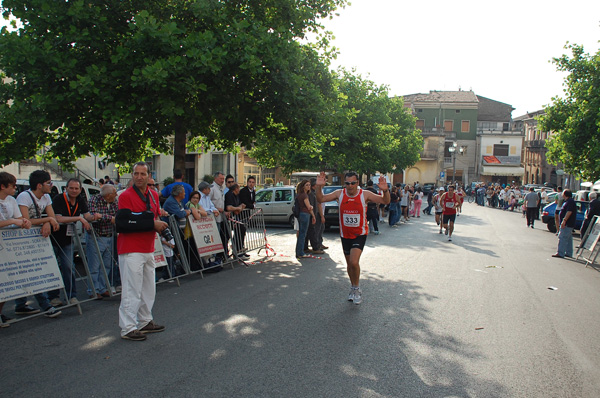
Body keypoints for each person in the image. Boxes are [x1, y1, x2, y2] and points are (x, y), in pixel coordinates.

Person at [316, 171, 390, 305]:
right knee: (350, 265)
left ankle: (356, 288)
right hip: (345, 234)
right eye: (347, 183)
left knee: (354, 262)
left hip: (359, 234)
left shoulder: (364, 194)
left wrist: (385, 191)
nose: (350, 186)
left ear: (358, 183)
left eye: (353, 183)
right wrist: (319, 187)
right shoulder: (340, 194)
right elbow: (321, 199)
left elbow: (385, 200)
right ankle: (353, 287)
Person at [116, 161, 168, 341]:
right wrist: (152, 223)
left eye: (142, 174)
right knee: (132, 289)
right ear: (132, 175)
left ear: (149, 176)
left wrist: (158, 224)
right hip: (131, 249)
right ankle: (128, 327)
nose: (139, 177)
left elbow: (152, 216)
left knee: (148, 288)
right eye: (136, 174)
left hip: (147, 247)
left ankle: (145, 321)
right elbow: (123, 222)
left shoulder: (153, 195)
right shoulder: (125, 196)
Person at [15, 170, 62, 318]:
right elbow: (26, 220)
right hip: (20, 241)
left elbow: (52, 216)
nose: (51, 185)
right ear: (39, 185)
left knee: (30, 272)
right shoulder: (24, 197)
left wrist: (48, 221)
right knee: (29, 272)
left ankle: (21, 304)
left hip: (35, 240)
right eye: (49, 183)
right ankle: (45, 305)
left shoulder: (46, 197)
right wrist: (47, 221)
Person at [48, 178, 101, 307]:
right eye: (71, 188)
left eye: (76, 188)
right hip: (54, 238)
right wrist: (79, 218)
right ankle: (53, 297)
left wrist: (94, 217)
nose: (74, 190)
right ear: (66, 188)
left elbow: (86, 215)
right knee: (54, 268)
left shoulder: (80, 200)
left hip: (68, 239)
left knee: (69, 267)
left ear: (80, 189)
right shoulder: (59, 199)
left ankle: (72, 295)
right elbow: (58, 218)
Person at [0, 172, 32, 327]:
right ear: (2, 186)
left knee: (6, 281)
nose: (15, 188)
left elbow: (19, 218)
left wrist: (24, 221)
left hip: (8, 246)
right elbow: (12, 220)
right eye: (12, 185)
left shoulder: (12, 200)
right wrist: (12, 221)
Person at [86, 184, 120, 299]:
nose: (116, 195)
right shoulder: (94, 200)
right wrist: (110, 218)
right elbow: (94, 216)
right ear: (108, 195)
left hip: (110, 235)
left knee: (107, 265)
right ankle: (93, 290)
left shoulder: (115, 202)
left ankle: (103, 287)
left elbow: (117, 216)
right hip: (97, 236)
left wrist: (103, 216)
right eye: (115, 192)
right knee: (95, 265)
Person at [225, 183, 249, 259]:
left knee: (242, 228)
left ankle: (238, 248)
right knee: (229, 234)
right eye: (238, 188)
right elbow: (229, 207)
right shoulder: (229, 195)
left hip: (235, 216)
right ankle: (235, 249)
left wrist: (238, 208)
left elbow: (239, 207)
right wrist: (238, 208)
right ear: (235, 189)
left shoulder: (236, 196)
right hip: (229, 218)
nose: (239, 190)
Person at [209, 172, 229, 260]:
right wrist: (216, 208)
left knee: (221, 236)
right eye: (221, 179)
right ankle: (213, 256)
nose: (222, 181)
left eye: (223, 179)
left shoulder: (221, 188)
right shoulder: (212, 188)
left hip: (221, 218)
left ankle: (219, 255)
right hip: (213, 217)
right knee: (214, 237)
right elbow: (208, 202)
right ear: (215, 178)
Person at [295, 179, 316, 259]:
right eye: (307, 185)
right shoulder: (304, 195)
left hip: (300, 214)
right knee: (302, 234)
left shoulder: (299, 194)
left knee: (301, 234)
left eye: (309, 185)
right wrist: (313, 216)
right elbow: (309, 207)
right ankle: (300, 252)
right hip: (305, 214)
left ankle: (299, 251)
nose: (309, 186)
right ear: (303, 186)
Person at [553, 189, 576, 259]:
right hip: (568, 223)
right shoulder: (568, 201)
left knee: (562, 237)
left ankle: (560, 253)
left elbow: (569, 212)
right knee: (568, 238)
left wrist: (564, 220)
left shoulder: (570, 202)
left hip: (567, 223)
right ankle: (569, 252)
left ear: (565, 194)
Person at [305, 178, 325, 253]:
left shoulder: (312, 193)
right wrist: (317, 215)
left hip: (314, 214)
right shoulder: (312, 194)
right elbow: (316, 205)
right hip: (314, 214)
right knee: (314, 231)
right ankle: (316, 247)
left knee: (313, 231)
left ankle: (309, 247)